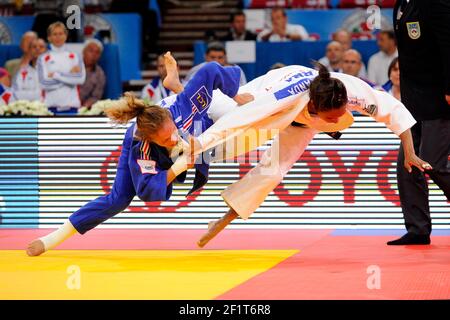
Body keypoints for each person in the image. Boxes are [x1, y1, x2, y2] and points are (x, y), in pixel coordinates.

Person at [25, 52, 254, 257]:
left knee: (202, 119)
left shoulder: (181, 109)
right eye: (165, 140)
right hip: (149, 145)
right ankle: (53, 238)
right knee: (118, 200)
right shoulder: (141, 148)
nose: (171, 139)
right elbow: (147, 191)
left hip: (184, 119)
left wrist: (236, 96)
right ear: (152, 140)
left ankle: (175, 85)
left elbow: (211, 69)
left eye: (171, 133)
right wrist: (179, 166)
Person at [190, 63, 432, 248]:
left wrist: (410, 152)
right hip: (273, 96)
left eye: (339, 115)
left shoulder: (354, 94)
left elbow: (393, 110)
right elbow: (242, 116)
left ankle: (223, 220)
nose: (338, 121)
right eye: (332, 117)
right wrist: (199, 144)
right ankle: (179, 98)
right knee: (228, 111)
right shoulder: (285, 94)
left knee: (272, 173)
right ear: (316, 107)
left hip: (303, 124)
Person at [387, 0, 450, 245]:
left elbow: (448, 43)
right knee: (407, 165)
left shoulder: (435, 2)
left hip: (438, 98)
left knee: (433, 163)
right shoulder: (402, 3)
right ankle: (418, 229)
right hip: (412, 102)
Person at [37, 22, 86, 114]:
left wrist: (56, 75)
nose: (58, 37)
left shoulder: (75, 56)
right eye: (54, 34)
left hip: (72, 108)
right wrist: (69, 78)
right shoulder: (42, 58)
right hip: (50, 108)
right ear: (49, 37)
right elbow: (43, 83)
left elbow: (80, 79)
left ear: (66, 36)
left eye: (61, 34)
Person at [80, 39, 106, 108]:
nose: (94, 55)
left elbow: (95, 97)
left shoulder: (100, 74)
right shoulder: (73, 66)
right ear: (83, 52)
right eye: (91, 51)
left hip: (83, 108)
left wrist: (84, 107)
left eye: (97, 52)